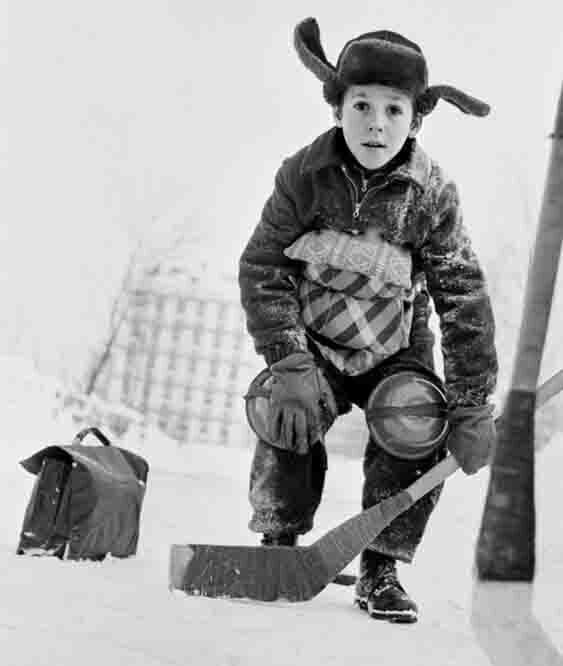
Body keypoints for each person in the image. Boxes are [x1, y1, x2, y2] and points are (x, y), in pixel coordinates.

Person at [238, 17, 498, 623]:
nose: (376, 123)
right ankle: (280, 540)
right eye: (361, 105)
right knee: (282, 409)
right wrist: (289, 358)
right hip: (316, 343)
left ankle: (380, 564)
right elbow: (263, 265)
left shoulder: (431, 194)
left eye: (393, 110)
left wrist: (470, 403)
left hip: (394, 347)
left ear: (414, 119)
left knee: (416, 423)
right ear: (338, 109)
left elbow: (462, 295)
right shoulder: (302, 176)